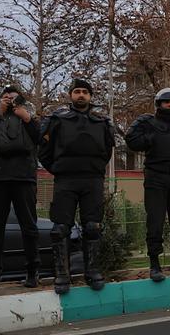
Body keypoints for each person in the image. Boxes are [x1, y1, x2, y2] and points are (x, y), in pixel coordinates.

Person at [39, 79, 114, 294]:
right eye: (77, 91)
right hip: (65, 179)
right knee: (60, 229)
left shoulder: (102, 122)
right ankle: (62, 274)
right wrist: (56, 168)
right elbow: (43, 148)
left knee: (93, 227)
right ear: (71, 95)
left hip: (92, 179)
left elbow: (107, 150)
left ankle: (93, 271)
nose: (81, 95)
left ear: (91, 96)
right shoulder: (56, 120)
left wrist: (97, 168)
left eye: (85, 92)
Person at [125, 87, 170, 282]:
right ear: (158, 104)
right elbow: (131, 140)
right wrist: (153, 138)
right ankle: (155, 266)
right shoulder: (147, 122)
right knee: (155, 222)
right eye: (166, 102)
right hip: (155, 176)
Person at [0, 85, 41, 290]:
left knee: (29, 227)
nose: (9, 101)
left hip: (24, 178)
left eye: (13, 98)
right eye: (5, 98)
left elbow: (42, 138)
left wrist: (27, 117)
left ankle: (32, 272)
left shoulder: (30, 118)